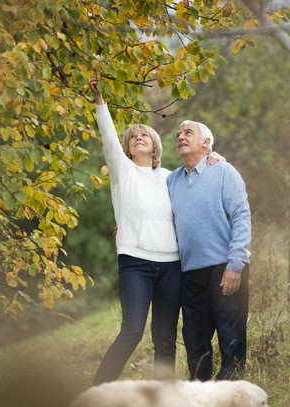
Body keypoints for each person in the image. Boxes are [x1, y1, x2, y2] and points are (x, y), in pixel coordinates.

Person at [89, 74, 223, 385]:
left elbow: (199, 176)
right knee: (132, 331)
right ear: (127, 147)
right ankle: (96, 392)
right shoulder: (122, 172)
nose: (137, 138)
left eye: (144, 135)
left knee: (165, 339)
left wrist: (216, 156)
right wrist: (100, 101)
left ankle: (163, 399)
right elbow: (108, 137)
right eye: (132, 137)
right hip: (135, 263)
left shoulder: (171, 177)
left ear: (154, 145)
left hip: (172, 266)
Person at [167, 120, 251, 381]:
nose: (181, 136)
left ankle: (229, 404)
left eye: (188, 132)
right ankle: (200, 406)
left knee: (231, 343)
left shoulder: (224, 171)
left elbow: (241, 216)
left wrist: (235, 265)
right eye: (179, 133)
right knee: (195, 347)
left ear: (206, 143)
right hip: (189, 275)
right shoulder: (171, 180)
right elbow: (152, 212)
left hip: (224, 269)